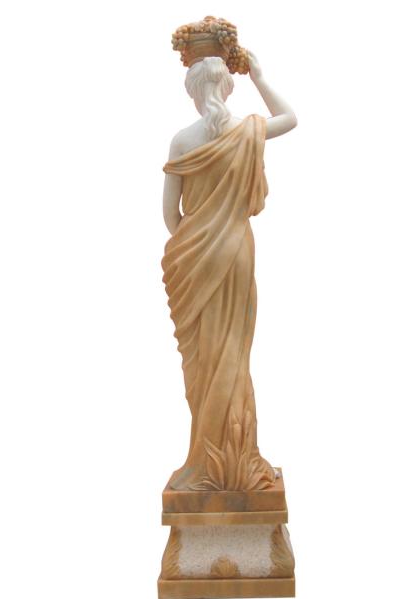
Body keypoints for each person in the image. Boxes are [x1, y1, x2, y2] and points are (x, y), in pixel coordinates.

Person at [161, 50, 297, 491]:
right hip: (236, 251)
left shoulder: (181, 141)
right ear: (227, 86)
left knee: (202, 356)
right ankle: (236, 460)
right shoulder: (246, 130)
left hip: (195, 257)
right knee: (234, 352)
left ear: (193, 92)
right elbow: (290, 118)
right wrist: (260, 75)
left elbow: (170, 215)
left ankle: (207, 462)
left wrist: (195, 246)